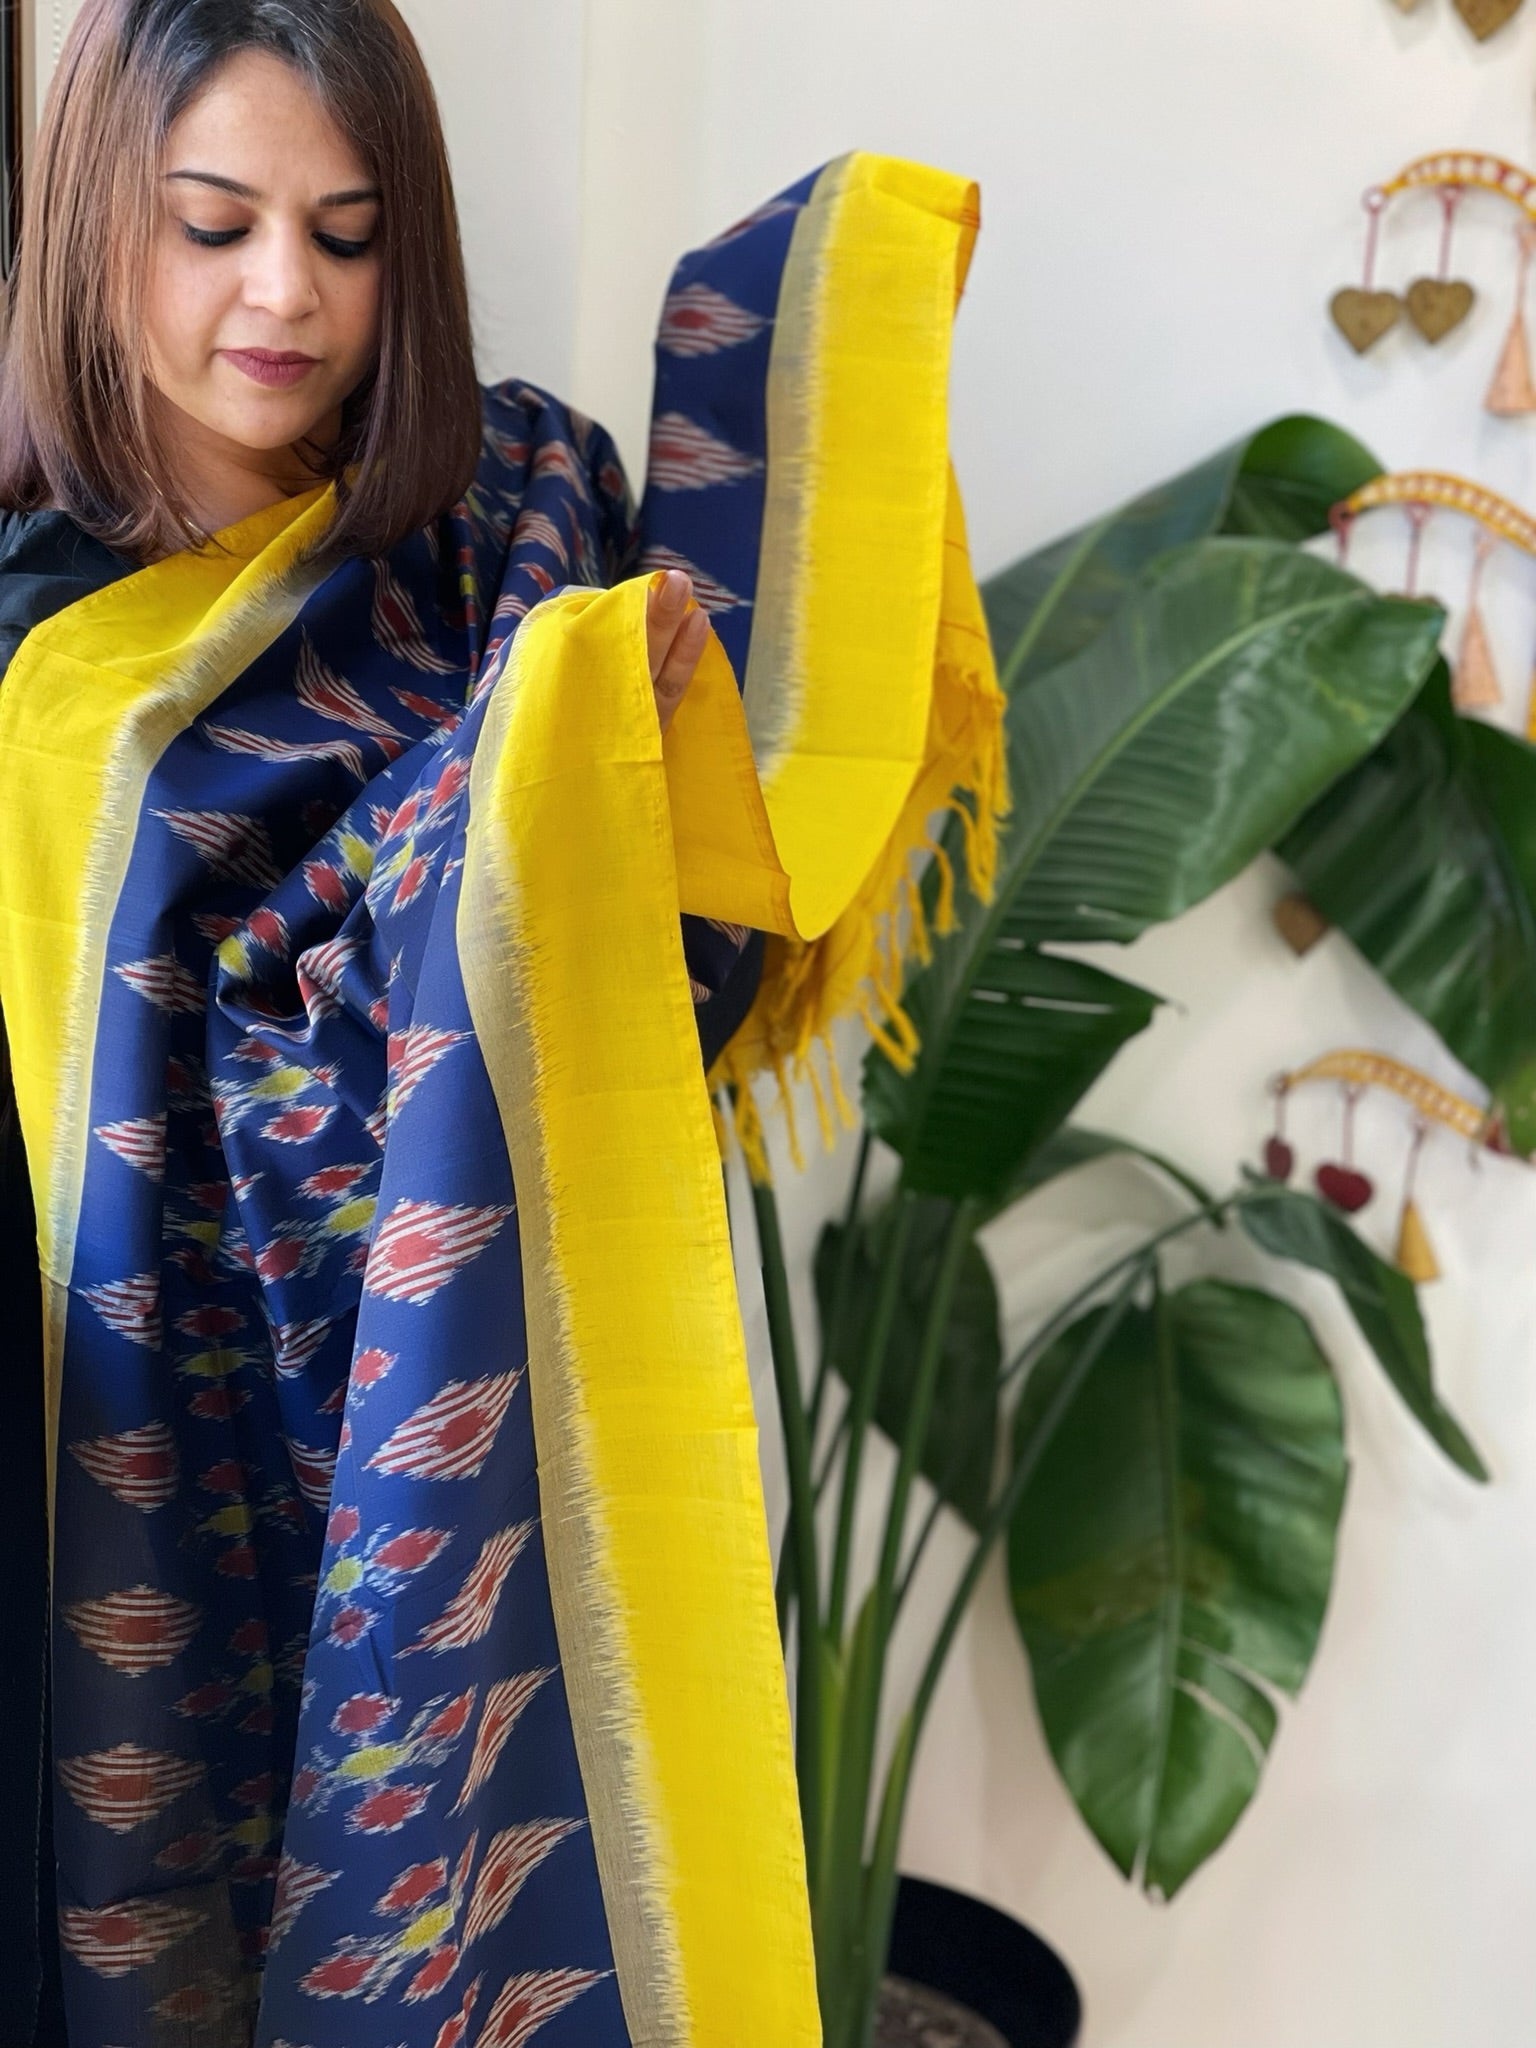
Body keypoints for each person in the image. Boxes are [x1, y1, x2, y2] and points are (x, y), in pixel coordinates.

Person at [0, 2, 996, 2044]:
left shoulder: (515, 517)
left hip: (485, 1423)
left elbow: (681, 978)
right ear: (97, 219)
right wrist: (488, 802)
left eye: (349, 235)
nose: (287, 295)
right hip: (127, 1462)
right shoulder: (33, 630)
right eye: (213, 224)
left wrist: (599, 754)